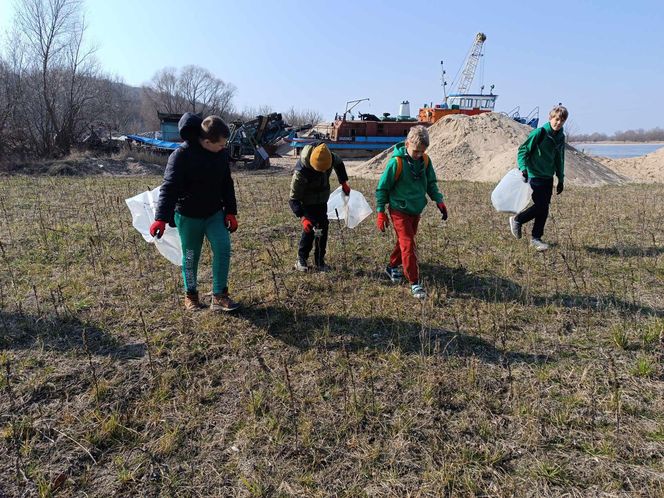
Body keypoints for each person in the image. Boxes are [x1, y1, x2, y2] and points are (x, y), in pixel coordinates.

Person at [149, 113, 240, 312]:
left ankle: (219, 295)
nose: (224, 148)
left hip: (214, 213)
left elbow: (227, 184)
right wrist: (161, 219)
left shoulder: (221, 155)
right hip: (188, 216)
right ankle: (191, 295)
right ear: (207, 141)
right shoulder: (181, 156)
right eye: (220, 144)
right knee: (190, 256)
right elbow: (169, 187)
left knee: (223, 248)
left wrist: (231, 212)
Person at [375, 125, 447, 299]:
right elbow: (382, 188)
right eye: (416, 151)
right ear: (407, 144)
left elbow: (431, 183)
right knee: (408, 244)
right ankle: (414, 282)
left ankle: (392, 266)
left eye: (422, 152)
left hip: (415, 209)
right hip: (399, 209)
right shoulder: (396, 163)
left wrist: (439, 200)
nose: (418, 155)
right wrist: (380, 211)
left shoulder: (426, 161)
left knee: (405, 241)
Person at [509, 105, 568, 251]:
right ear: (550, 118)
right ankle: (518, 220)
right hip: (534, 174)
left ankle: (536, 238)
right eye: (556, 119)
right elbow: (523, 150)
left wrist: (560, 179)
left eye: (562, 120)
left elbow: (559, 158)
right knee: (541, 206)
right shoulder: (539, 132)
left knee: (544, 209)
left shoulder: (561, 137)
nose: (558, 123)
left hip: (548, 177)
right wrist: (523, 168)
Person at [289, 142, 351, 272]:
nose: (323, 172)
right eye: (320, 170)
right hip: (307, 202)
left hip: (322, 200)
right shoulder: (301, 173)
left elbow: (339, 164)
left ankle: (319, 260)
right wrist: (302, 217)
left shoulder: (329, 157)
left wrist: (343, 182)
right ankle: (301, 259)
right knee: (310, 230)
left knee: (322, 229)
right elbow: (293, 199)